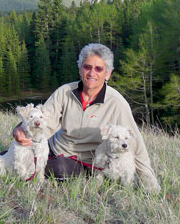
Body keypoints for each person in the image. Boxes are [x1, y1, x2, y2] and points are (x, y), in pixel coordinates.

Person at [12, 43, 160, 192]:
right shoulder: (64, 92)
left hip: (86, 161)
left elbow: (135, 144)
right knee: (9, 160)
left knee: (58, 169)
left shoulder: (117, 102)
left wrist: (151, 185)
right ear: (80, 69)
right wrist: (19, 131)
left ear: (108, 74)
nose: (91, 73)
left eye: (99, 69)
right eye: (87, 67)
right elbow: (44, 122)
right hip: (55, 148)